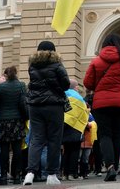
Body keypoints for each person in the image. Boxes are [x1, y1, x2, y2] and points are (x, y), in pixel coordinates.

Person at [83, 34, 120, 182]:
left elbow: (87, 83)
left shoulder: (96, 61)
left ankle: (110, 166)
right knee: (117, 135)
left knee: (104, 134)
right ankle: (116, 167)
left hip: (101, 104)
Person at [23, 41, 70, 186]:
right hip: (54, 105)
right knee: (54, 139)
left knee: (36, 139)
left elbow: (33, 85)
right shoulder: (57, 65)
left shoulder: (32, 66)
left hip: (35, 106)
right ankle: (51, 174)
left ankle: (30, 173)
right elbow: (66, 84)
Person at [0, 66, 27, 185]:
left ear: (5, 75)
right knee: (17, 149)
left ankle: (3, 177)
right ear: (16, 74)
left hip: (2, 121)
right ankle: (17, 176)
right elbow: (24, 103)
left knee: (4, 150)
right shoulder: (22, 85)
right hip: (17, 120)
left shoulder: (0, 87)